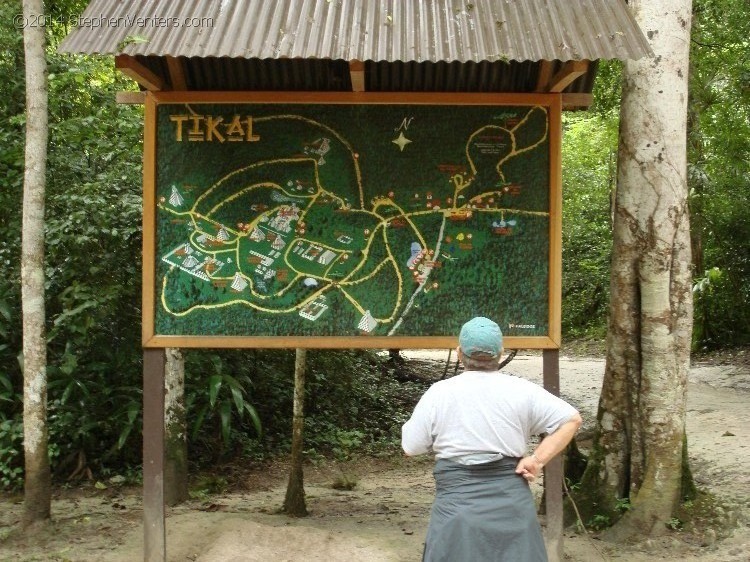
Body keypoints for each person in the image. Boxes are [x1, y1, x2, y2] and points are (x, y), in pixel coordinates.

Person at [402, 316, 582, 562]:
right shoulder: (522, 390)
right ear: (501, 353)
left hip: (458, 506)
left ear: (459, 353)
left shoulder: (439, 393)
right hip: (511, 504)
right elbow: (571, 419)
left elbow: (411, 447)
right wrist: (537, 460)